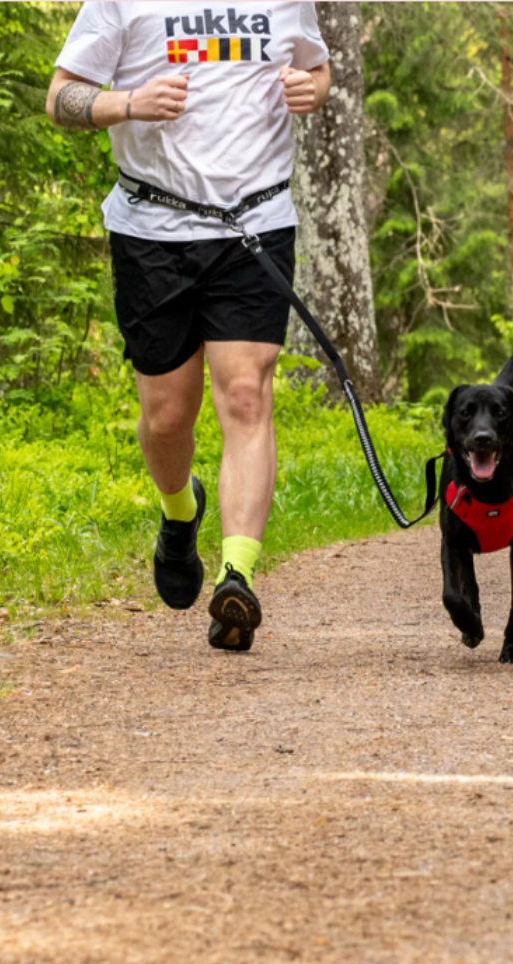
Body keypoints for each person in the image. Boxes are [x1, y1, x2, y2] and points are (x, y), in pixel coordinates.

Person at [47, 3, 331, 652]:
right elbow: (60, 96)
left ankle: (237, 576)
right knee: (169, 415)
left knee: (246, 394)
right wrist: (127, 103)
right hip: (152, 230)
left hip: (255, 225)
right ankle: (181, 509)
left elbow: (317, 70)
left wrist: (310, 90)